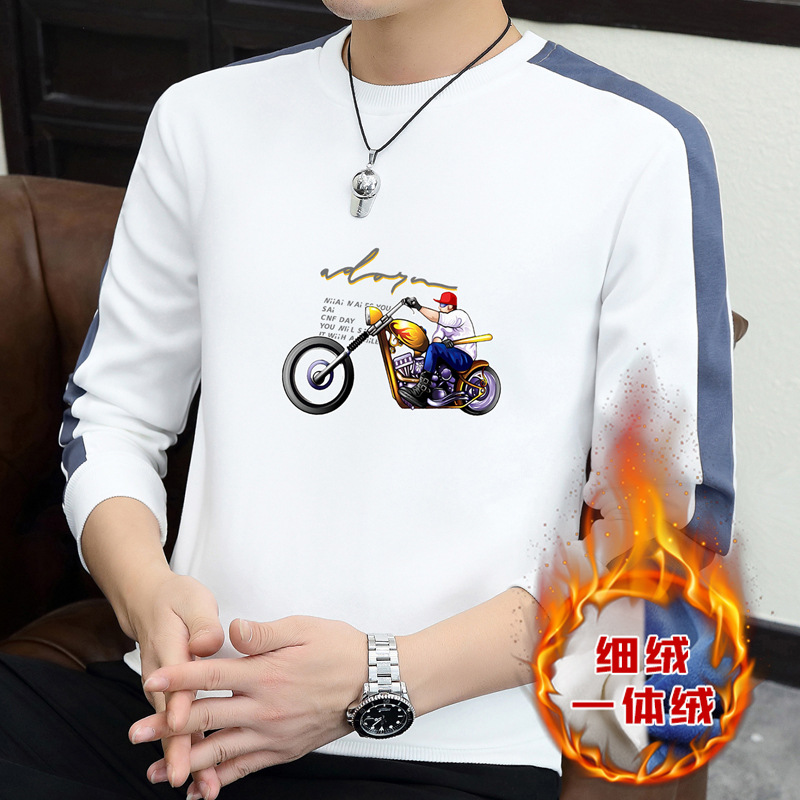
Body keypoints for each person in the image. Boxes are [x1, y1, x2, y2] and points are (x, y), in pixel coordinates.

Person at [0, 1, 734, 799]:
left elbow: (666, 535)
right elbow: (112, 413)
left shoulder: (634, 145)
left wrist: (381, 675)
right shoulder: (202, 117)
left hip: (449, 745)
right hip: (175, 713)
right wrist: (147, 593)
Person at [399, 292, 477, 407]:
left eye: (442, 304)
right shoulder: (442, 323)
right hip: (452, 353)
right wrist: (441, 343)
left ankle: (422, 391)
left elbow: (437, 317)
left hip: (464, 357)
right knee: (432, 350)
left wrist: (418, 307)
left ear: (450, 307)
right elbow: (437, 337)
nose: (439, 307)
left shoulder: (459, 315)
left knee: (434, 349)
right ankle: (430, 388)